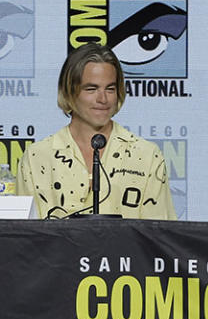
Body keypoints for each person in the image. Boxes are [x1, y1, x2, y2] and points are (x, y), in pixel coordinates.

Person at [16, 43, 177, 219]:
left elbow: (160, 236)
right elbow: (24, 238)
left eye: (110, 89)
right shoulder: (37, 157)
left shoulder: (146, 155)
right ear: (69, 91)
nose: (103, 99)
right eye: (91, 89)